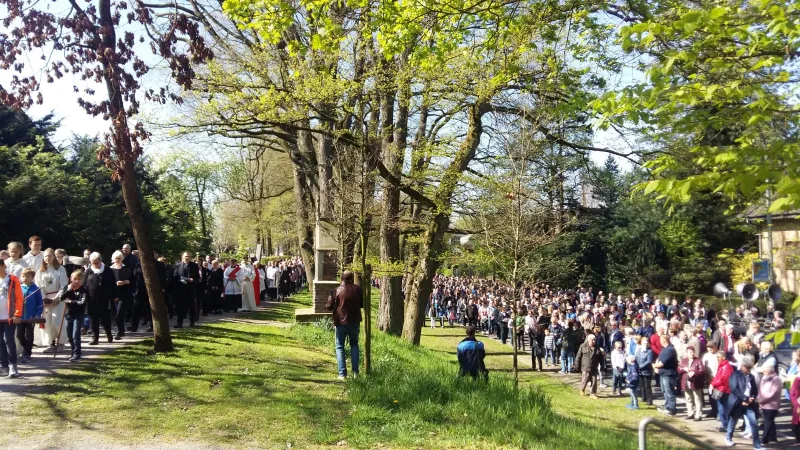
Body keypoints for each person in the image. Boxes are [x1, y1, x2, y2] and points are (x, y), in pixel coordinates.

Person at [325, 270, 363, 380]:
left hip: (340, 322)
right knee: (354, 345)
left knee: (340, 347)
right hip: (354, 321)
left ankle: (342, 374)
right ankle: (355, 372)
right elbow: (362, 304)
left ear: (341, 278)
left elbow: (328, 306)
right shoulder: (357, 289)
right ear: (352, 279)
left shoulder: (335, 291)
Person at [36, 248, 68, 352]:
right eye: (45, 256)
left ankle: (61, 342)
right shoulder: (41, 271)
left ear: (54, 256)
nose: (47, 258)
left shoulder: (60, 269)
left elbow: (63, 286)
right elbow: (39, 286)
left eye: (50, 256)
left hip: (58, 298)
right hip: (46, 299)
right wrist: (44, 299)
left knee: (57, 321)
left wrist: (57, 298)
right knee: (48, 322)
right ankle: (50, 344)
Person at [725, 356, 761, 449]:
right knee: (733, 421)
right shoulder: (735, 375)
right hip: (738, 403)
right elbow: (734, 389)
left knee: (753, 423)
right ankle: (728, 437)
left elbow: (754, 390)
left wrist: (751, 398)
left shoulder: (751, 377)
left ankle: (757, 445)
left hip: (749, 404)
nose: (749, 370)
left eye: (750, 368)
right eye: (748, 368)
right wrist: (744, 399)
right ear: (742, 366)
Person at [85, 252, 116, 345]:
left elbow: (113, 283)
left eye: (97, 263)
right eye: (93, 263)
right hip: (91, 299)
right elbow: (84, 284)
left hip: (105, 299)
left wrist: (114, 296)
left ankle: (109, 334)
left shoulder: (108, 270)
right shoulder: (88, 271)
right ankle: (95, 338)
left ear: (100, 261)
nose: (95, 265)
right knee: (93, 319)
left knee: (105, 319)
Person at [0, 258, 23, 378]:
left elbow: (19, 298)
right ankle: (3, 366)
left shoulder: (13, 280)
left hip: (10, 316)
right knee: (0, 341)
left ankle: (12, 365)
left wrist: (17, 314)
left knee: (8, 339)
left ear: (3, 266)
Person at [16, 267, 43, 363]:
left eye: (27, 276)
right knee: (19, 335)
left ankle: (27, 354)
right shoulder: (19, 288)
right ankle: (26, 349)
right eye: (23, 276)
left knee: (29, 335)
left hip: (31, 317)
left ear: (32, 278)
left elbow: (40, 303)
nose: (25, 278)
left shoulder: (36, 289)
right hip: (20, 317)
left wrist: (38, 314)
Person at [59, 271, 87, 362]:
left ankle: (77, 353)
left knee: (76, 335)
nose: (76, 281)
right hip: (68, 314)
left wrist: (71, 301)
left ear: (82, 280)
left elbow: (82, 302)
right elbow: (61, 298)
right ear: (71, 279)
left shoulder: (83, 290)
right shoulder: (67, 288)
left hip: (78, 314)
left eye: (79, 279)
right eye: (75, 279)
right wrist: (69, 290)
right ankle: (73, 351)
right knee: (70, 336)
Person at [109, 251, 133, 339]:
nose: (117, 260)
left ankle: (119, 331)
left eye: (119, 258)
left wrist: (126, 282)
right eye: (116, 259)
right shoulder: (109, 269)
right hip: (113, 294)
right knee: (114, 314)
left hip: (123, 294)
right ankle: (119, 330)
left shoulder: (126, 268)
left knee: (120, 313)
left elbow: (132, 280)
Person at [757, 359, 781, 446]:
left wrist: (762, 400)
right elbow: (760, 389)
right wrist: (759, 398)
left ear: (770, 371)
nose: (763, 372)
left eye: (765, 371)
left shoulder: (776, 379)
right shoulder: (764, 377)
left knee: (767, 422)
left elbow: (773, 393)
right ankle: (773, 437)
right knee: (770, 421)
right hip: (763, 404)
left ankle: (764, 439)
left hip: (772, 405)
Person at [677, 346, 704, 421]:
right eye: (690, 352)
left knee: (697, 399)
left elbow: (701, 371)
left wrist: (694, 373)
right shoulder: (684, 360)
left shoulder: (698, 361)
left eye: (693, 352)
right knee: (688, 399)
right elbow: (678, 369)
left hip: (696, 382)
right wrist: (683, 369)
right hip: (686, 382)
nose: (691, 353)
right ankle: (690, 413)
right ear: (687, 353)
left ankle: (698, 415)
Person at [173, 251, 200, 327]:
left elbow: (198, 278)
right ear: (182, 257)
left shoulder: (194, 266)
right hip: (180, 289)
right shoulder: (177, 265)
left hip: (190, 289)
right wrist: (180, 280)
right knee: (180, 307)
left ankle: (192, 322)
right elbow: (175, 276)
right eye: (186, 256)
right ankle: (179, 323)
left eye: (189, 256)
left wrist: (193, 280)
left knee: (191, 307)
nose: (187, 258)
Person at [653, 334, 678, 416]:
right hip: (663, 373)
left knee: (669, 392)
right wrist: (656, 366)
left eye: (660, 340)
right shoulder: (664, 349)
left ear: (663, 340)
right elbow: (659, 359)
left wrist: (654, 366)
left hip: (669, 374)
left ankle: (672, 409)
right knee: (664, 391)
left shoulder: (670, 350)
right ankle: (667, 406)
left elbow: (662, 363)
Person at [575, 334, 604, 399]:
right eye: (592, 340)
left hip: (594, 367)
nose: (594, 341)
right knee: (585, 379)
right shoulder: (582, 346)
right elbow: (578, 357)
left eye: (594, 340)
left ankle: (593, 393)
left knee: (594, 381)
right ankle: (582, 390)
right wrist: (576, 366)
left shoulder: (597, 348)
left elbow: (601, 358)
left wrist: (602, 366)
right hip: (585, 367)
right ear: (588, 340)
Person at [637, 337, 655, 406]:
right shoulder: (639, 350)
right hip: (639, 371)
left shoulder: (650, 351)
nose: (645, 344)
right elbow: (636, 357)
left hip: (646, 371)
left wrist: (640, 366)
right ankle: (643, 397)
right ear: (641, 343)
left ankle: (649, 400)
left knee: (647, 386)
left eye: (647, 343)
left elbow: (649, 361)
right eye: (644, 343)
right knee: (641, 385)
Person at [791, 371, 800, 442]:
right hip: (798, 405)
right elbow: (793, 394)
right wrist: (796, 405)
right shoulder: (797, 380)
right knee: (795, 427)